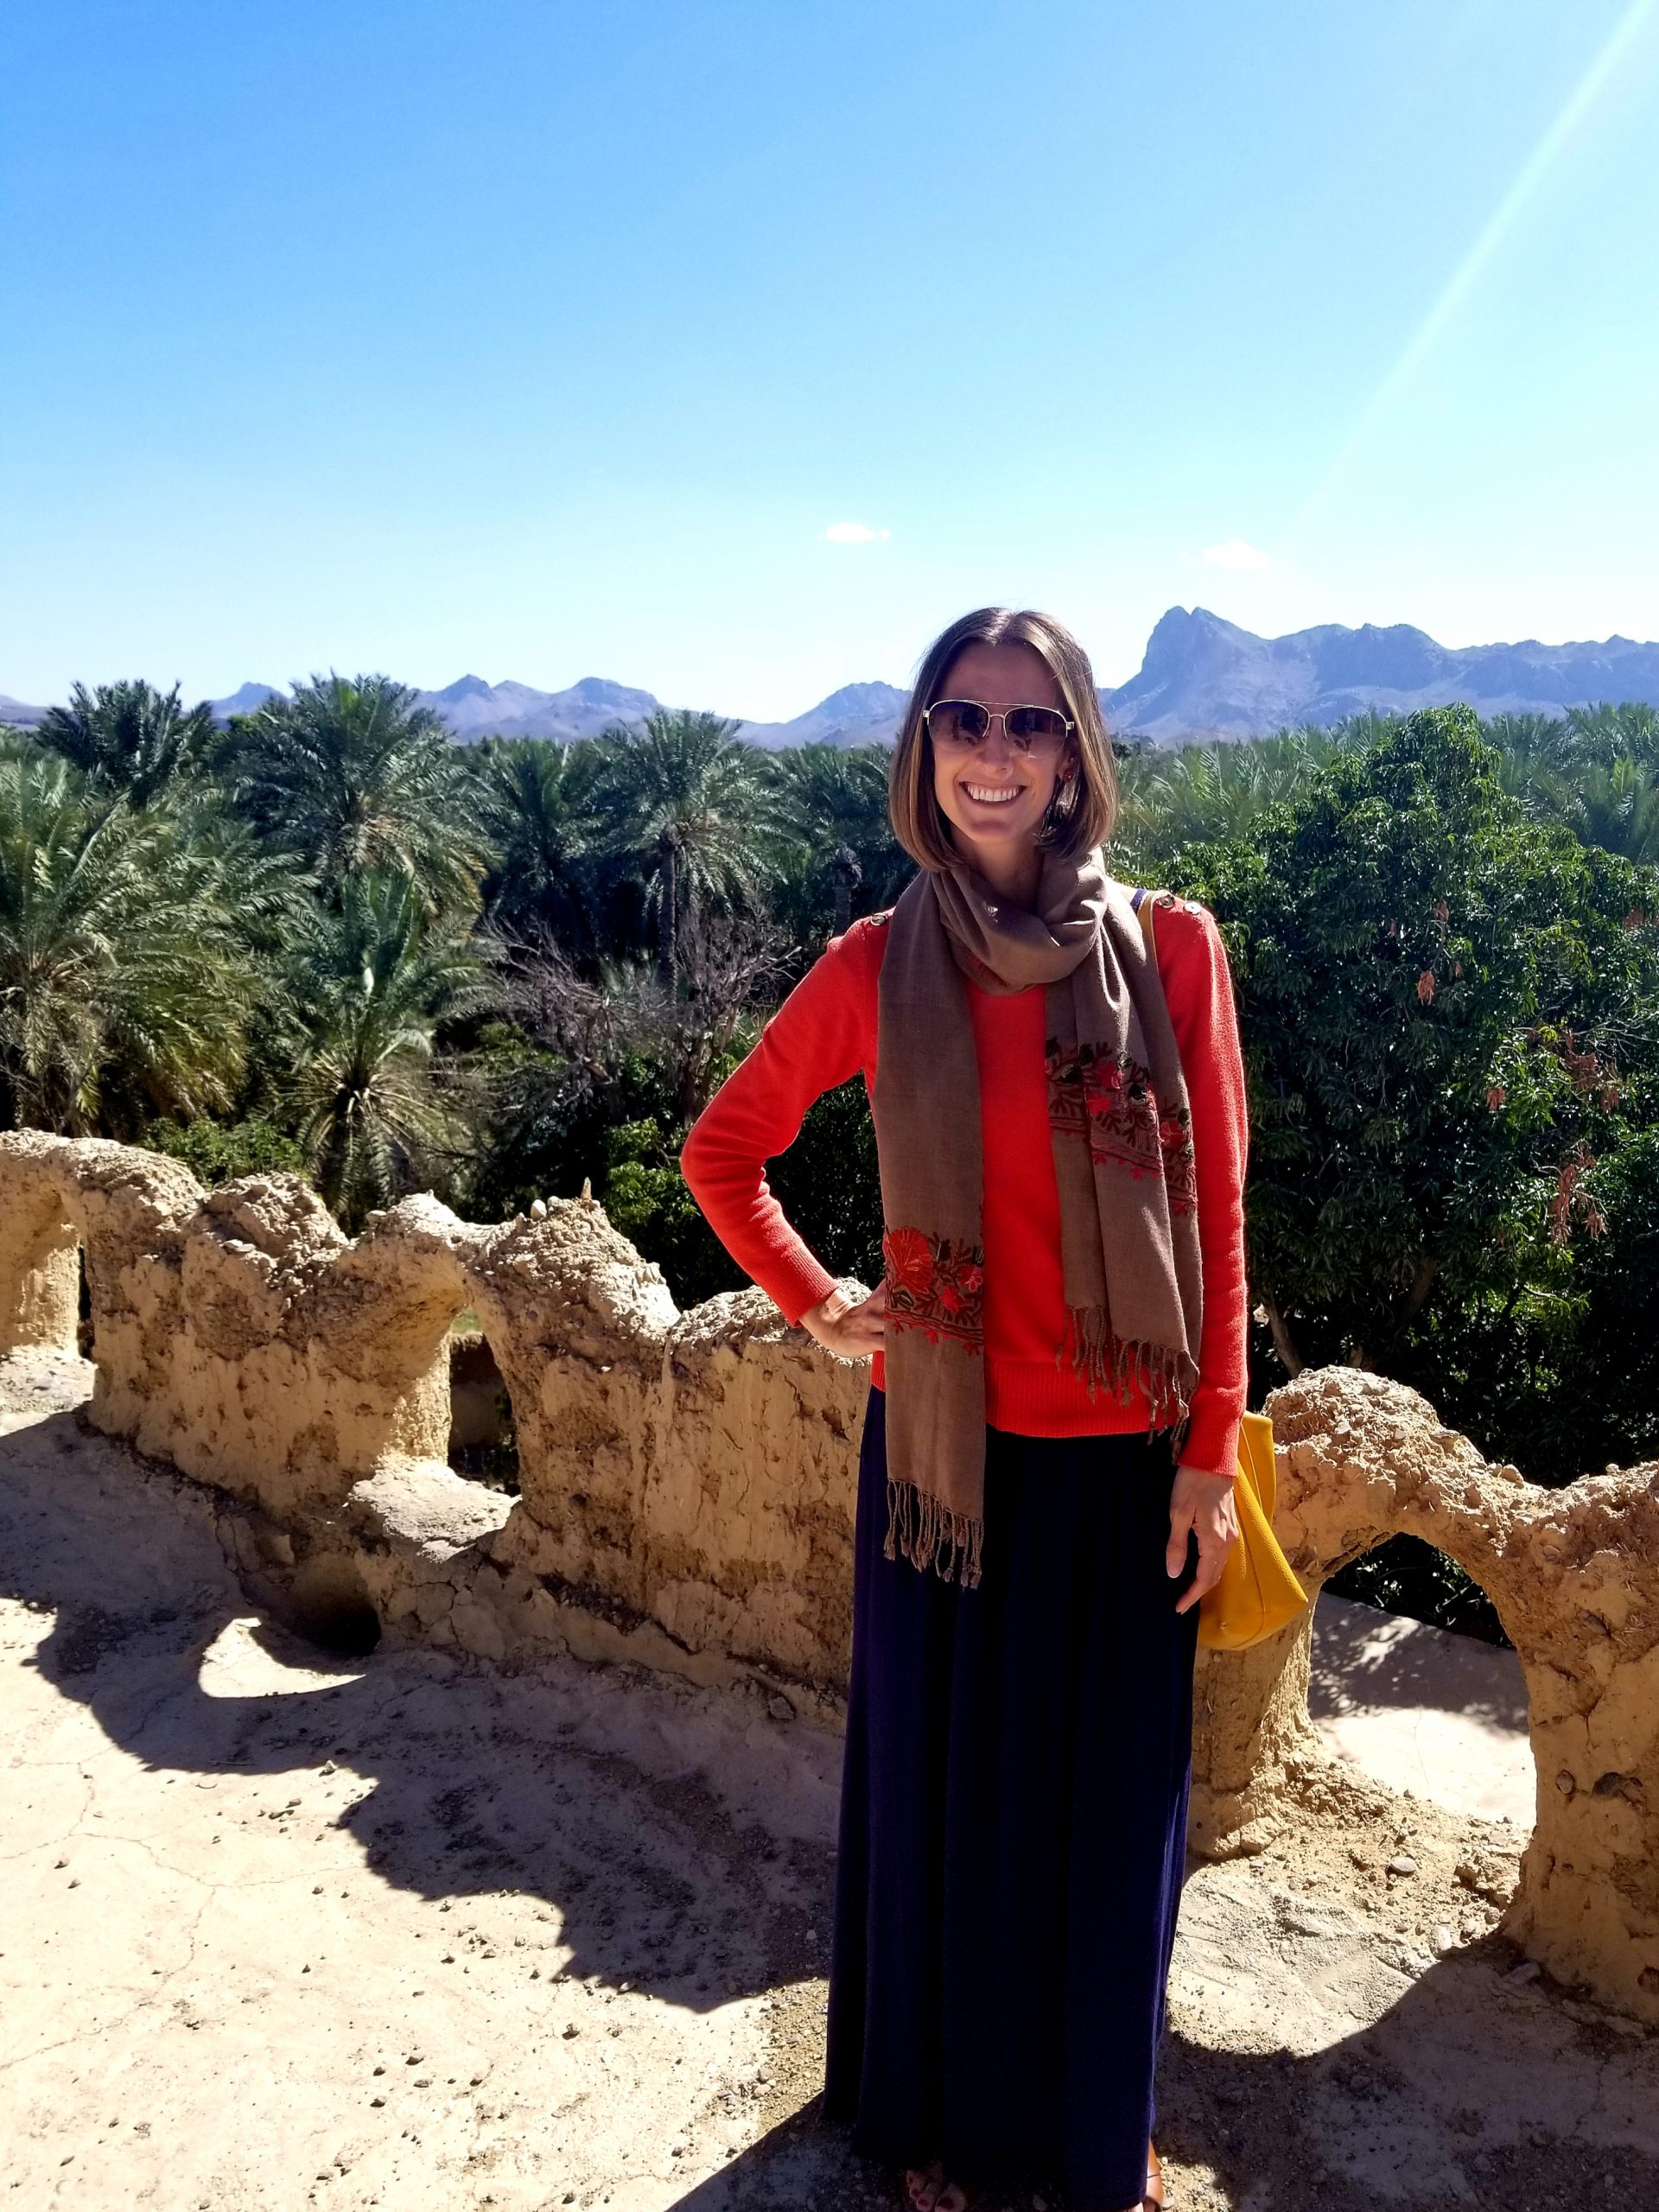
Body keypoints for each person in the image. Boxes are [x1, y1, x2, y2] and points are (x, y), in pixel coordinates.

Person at [681, 607, 1248, 2212]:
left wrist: (1210, 1452)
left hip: (1129, 1467)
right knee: (951, 1815)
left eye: (1030, 721)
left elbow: (1215, 1224)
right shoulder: (877, 967)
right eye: (964, 720)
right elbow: (725, 1153)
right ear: (923, 751)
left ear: (1077, 755)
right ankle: (935, 2129)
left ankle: (1085, 2135)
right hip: (944, 1463)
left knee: (1110, 1817)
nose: (995, 754)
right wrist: (822, 1304)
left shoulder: (1176, 949)